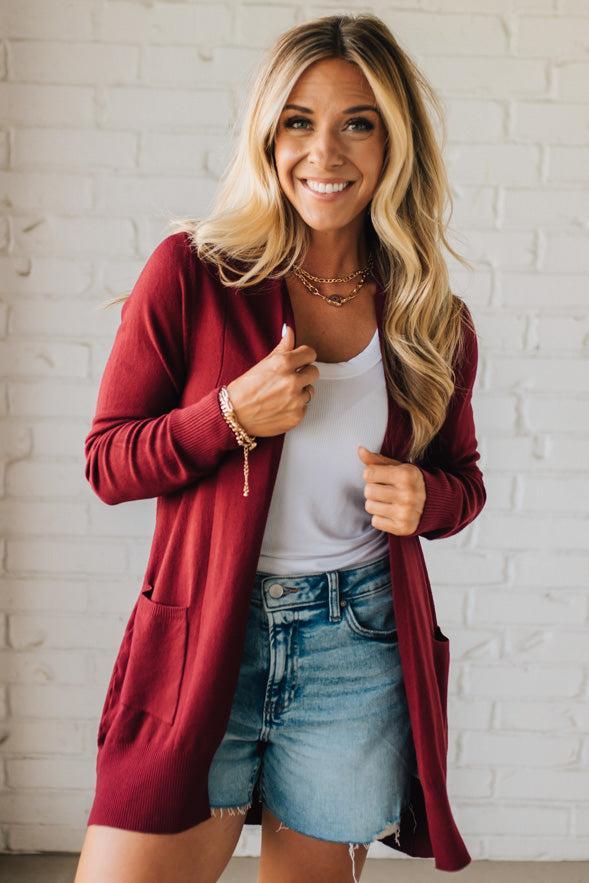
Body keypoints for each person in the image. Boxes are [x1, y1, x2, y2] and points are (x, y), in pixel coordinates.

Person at [74, 13, 486, 883]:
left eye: (357, 123)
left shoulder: (430, 318)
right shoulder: (192, 272)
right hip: (203, 640)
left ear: (394, 143)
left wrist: (428, 497)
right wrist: (226, 415)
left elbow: (462, 481)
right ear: (267, 134)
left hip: (355, 646)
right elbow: (108, 461)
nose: (323, 152)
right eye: (299, 121)